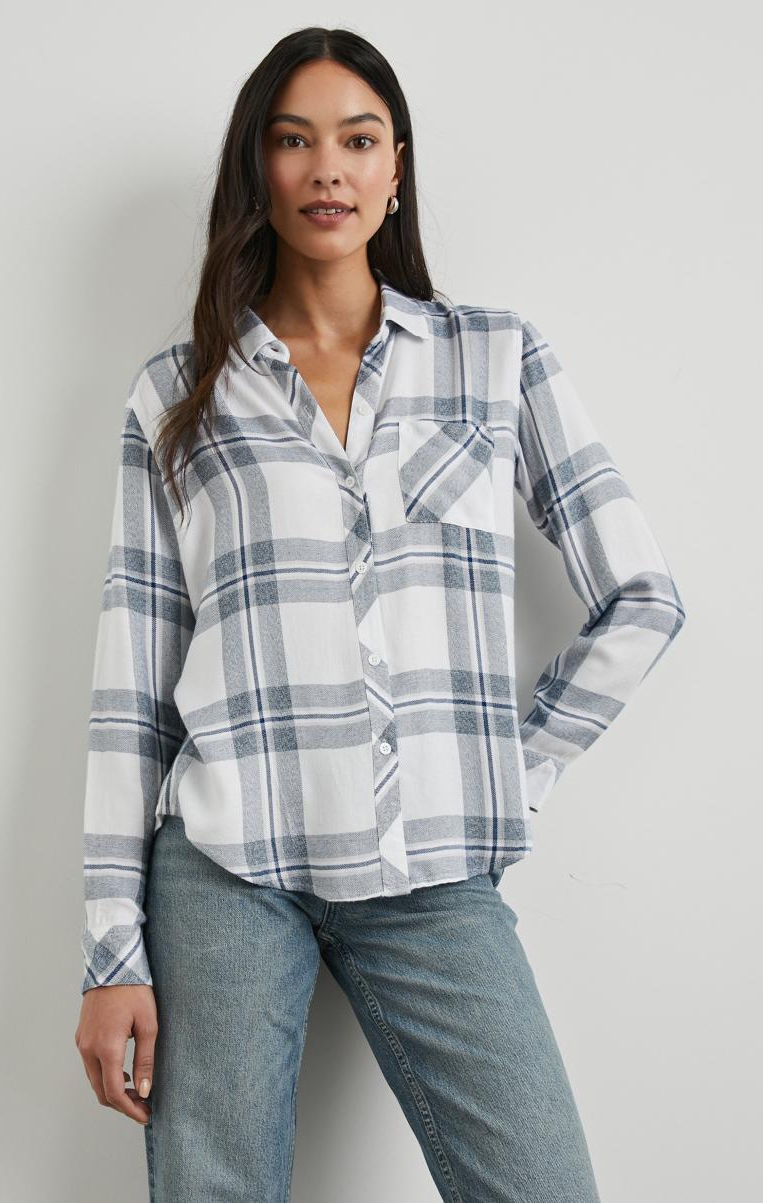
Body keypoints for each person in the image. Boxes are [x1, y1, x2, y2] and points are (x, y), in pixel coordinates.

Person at [74, 26, 686, 1203]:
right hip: (225, 866)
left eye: (357, 141)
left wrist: (509, 771)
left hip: (433, 869)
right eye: (293, 141)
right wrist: (111, 950)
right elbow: (130, 689)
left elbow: (641, 597)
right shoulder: (178, 392)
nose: (327, 170)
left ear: (395, 168)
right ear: (257, 169)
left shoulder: (493, 360)